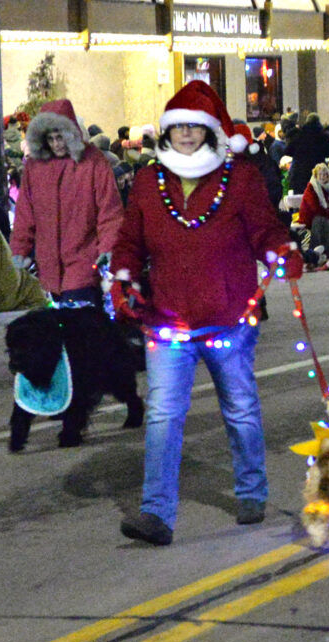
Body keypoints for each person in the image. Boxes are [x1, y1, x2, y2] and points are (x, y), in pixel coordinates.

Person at [110, 81, 302, 547]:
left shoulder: (240, 180)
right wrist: (122, 277)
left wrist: (282, 249)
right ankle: (156, 512)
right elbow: (129, 241)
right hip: (168, 321)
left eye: (197, 128)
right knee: (162, 416)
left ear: (211, 132)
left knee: (239, 410)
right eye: (180, 128)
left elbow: (263, 229)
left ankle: (252, 490)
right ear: (167, 133)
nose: (188, 136)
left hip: (228, 319)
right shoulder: (148, 183)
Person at [10, 99, 125, 307]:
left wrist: (108, 249)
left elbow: (109, 213)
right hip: (48, 268)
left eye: (61, 137)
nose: (56, 144)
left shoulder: (93, 162)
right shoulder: (35, 167)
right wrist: (20, 249)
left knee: (81, 329)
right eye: (51, 139)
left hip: (85, 261)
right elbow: (25, 214)